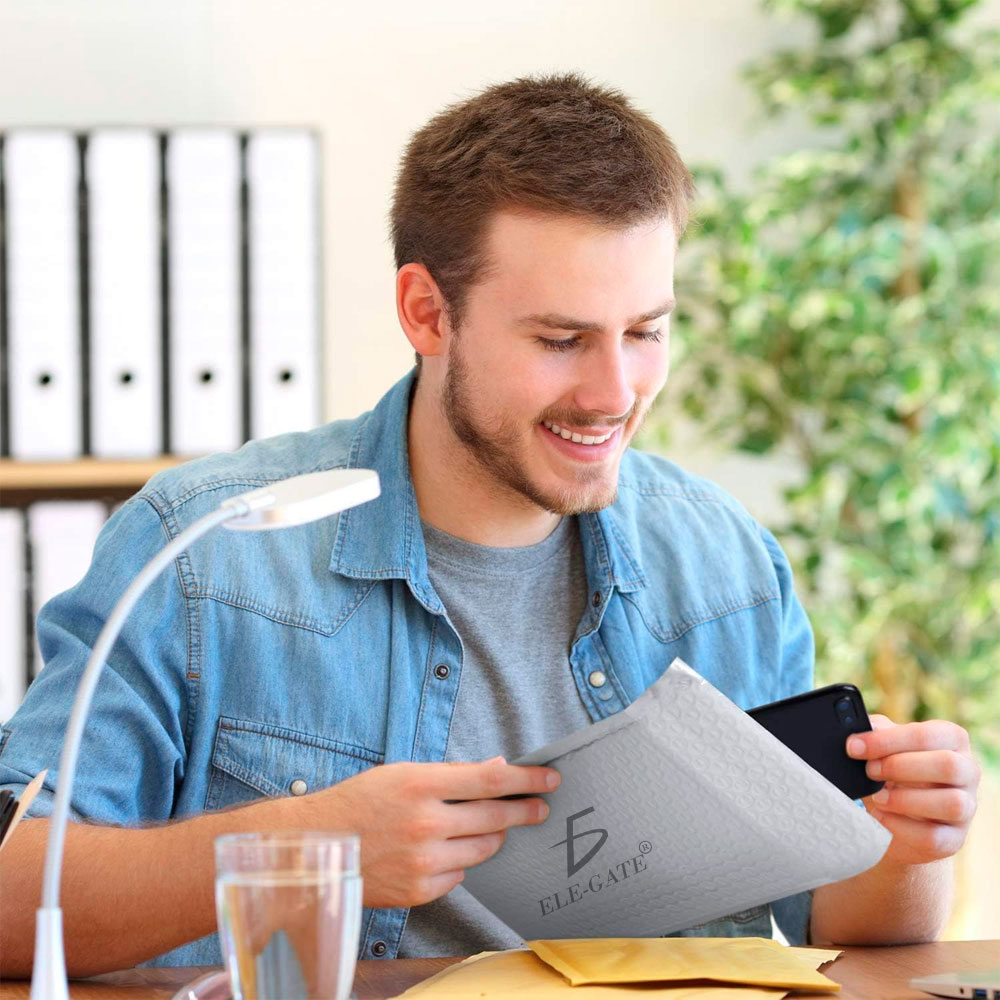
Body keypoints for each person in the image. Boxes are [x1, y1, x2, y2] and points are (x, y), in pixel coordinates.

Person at [0, 73, 980, 975]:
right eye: (560, 339)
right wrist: (312, 847)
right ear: (427, 313)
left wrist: (911, 842)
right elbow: (10, 894)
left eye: (646, 332)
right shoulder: (205, 553)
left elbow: (841, 926)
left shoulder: (723, 564)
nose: (614, 393)